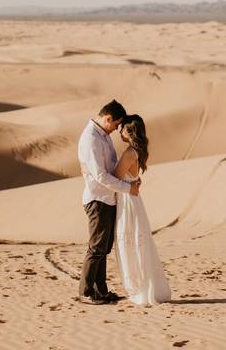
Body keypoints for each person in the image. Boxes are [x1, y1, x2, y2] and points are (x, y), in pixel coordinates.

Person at [77, 100, 141, 305]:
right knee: (96, 247)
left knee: (104, 247)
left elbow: (111, 167)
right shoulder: (91, 139)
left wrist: (130, 177)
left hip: (108, 198)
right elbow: (101, 176)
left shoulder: (102, 136)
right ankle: (86, 292)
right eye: (115, 124)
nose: (116, 129)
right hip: (98, 199)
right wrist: (127, 188)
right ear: (108, 118)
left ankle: (101, 290)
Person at [113, 114, 172, 304]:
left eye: (122, 128)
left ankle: (140, 290)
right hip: (132, 198)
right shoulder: (136, 151)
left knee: (131, 243)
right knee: (137, 243)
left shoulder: (129, 152)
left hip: (128, 201)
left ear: (128, 132)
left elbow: (114, 177)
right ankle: (144, 288)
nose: (119, 130)